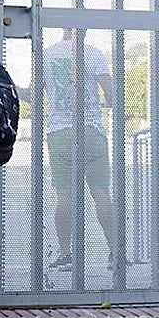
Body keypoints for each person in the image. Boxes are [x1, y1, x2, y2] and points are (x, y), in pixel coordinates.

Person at [40, 28, 116, 272]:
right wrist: (104, 102)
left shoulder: (46, 55)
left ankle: (65, 255)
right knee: (102, 194)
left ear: (64, 29)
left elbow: (33, 93)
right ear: (84, 30)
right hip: (91, 129)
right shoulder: (94, 54)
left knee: (64, 197)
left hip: (60, 131)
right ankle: (115, 253)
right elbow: (112, 94)